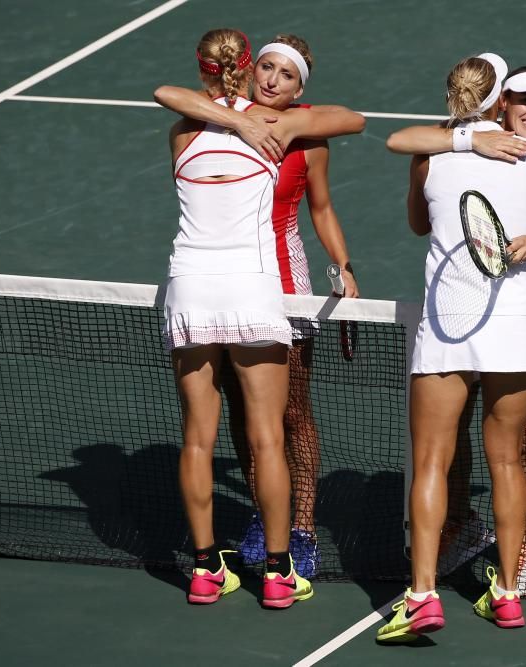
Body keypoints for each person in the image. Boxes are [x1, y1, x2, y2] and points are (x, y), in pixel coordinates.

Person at [376, 54, 526, 642]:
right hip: (505, 328)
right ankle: (500, 593)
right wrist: (497, 144)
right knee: (500, 461)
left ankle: (428, 595)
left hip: (462, 324)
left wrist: (470, 145)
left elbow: (416, 219)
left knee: (434, 461)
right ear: (499, 99)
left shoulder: (432, 152)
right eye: (525, 100)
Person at [158, 28, 364, 609]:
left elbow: (166, 92)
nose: (272, 81)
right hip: (252, 290)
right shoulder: (281, 127)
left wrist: (342, 263)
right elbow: (356, 119)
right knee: (266, 435)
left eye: (286, 74)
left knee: (198, 439)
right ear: (249, 70)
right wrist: (251, 123)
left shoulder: (180, 132)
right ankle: (277, 573)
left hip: (190, 289)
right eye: (265, 69)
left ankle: (204, 571)